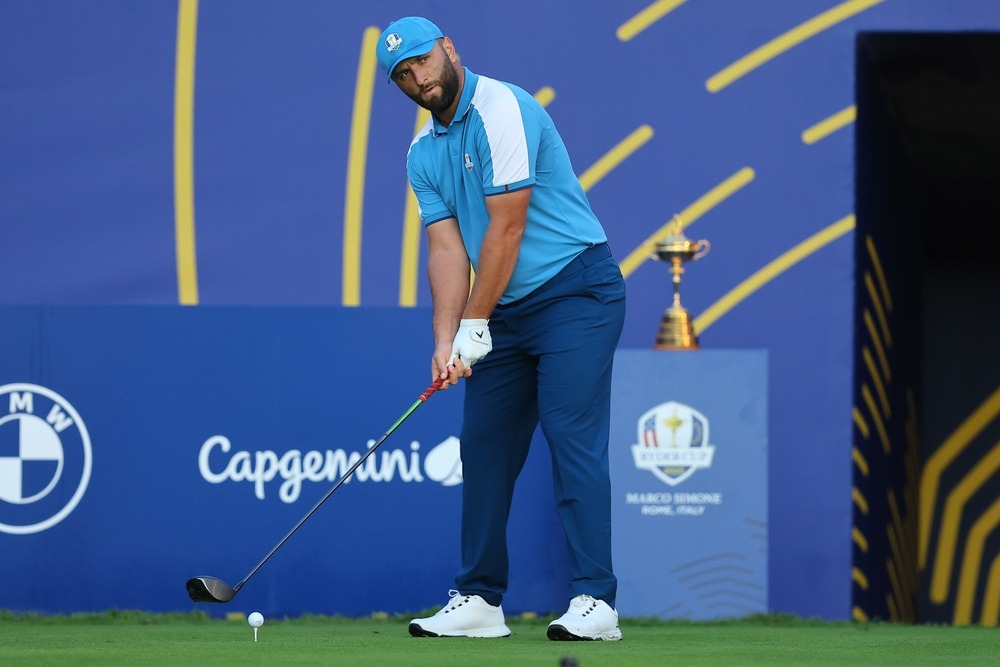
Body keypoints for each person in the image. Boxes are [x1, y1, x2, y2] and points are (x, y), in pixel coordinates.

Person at [376, 16, 626, 641]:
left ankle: (597, 602)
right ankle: (480, 600)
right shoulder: (421, 152)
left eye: (423, 62)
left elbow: (507, 227)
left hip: (575, 290)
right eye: (403, 74)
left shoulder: (504, 108)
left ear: (449, 49)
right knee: (483, 448)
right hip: (504, 309)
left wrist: (475, 322)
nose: (418, 78)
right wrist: (445, 339)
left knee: (571, 437)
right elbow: (446, 250)